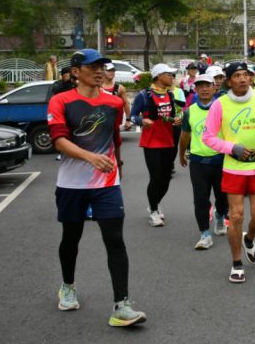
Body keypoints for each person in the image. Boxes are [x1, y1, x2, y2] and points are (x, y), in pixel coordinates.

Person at [48, 48, 146, 327]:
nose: (100, 71)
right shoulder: (61, 101)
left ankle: (122, 306)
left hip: (106, 182)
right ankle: (67, 285)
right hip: (71, 183)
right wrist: (91, 157)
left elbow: (113, 136)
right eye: (93, 67)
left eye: (103, 66)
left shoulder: (114, 102)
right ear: (76, 72)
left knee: (115, 239)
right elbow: (58, 140)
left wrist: (120, 166)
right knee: (71, 236)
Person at [202, 61, 255, 283]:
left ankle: (248, 239)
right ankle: (237, 263)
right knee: (236, 215)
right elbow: (208, 137)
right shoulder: (220, 104)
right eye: (237, 75)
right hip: (233, 168)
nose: (242, 79)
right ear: (229, 81)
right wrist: (233, 149)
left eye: (245, 75)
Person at [178, 70, 229, 250]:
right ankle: (205, 234)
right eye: (201, 86)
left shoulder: (224, 107)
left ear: (215, 88)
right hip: (199, 162)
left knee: (223, 197)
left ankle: (221, 216)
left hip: (222, 160)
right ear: (196, 89)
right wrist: (181, 153)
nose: (205, 89)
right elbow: (185, 135)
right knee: (200, 199)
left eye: (208, 85)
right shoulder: (190, 111)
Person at [130, 63, 184, 227]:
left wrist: (177, 119)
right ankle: (153, 210)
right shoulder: (144, 95)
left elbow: (173, 115)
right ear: (159, 76)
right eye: (169, 74)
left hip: (169, 140)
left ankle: (155, 202)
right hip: (151, 142)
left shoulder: (171, 95)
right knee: (156, 177)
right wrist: (141, 120)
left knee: (167, 177)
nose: (172, 78)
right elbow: (132, 117)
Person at [101, 63, 132, 130]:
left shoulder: (119, 88)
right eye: (109, 70)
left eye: (113, 70)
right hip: (101, 122)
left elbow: (126, 104)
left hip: (115, 123)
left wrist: (128, 120)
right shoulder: (97, 87)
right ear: (103, 72)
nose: (111, 73)